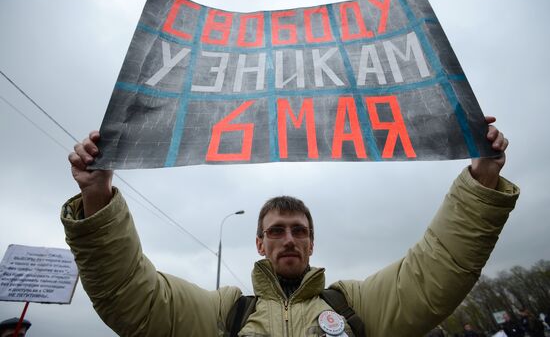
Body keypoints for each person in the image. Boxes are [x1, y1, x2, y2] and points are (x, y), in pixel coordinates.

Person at [62, 116, 519, 337]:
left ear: (312, 243)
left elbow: (437, 270)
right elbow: (135, 300)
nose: (289, 239)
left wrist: (482, 178)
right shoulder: (225, 314)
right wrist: (97, 196)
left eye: (299, 231)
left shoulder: (353, 305)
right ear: (259, 243)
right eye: (277, 230)